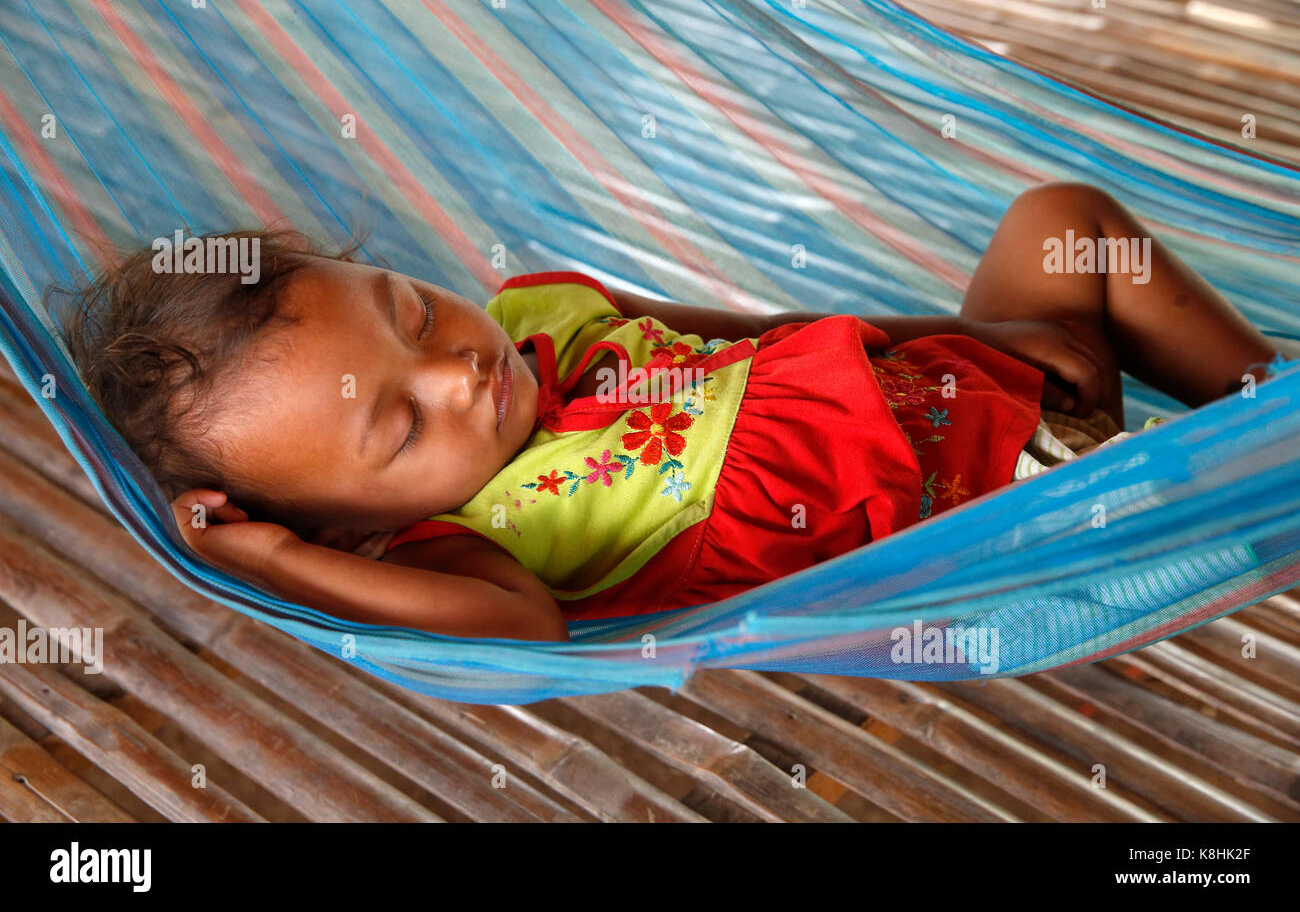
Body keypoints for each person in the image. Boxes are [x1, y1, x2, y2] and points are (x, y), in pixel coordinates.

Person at [56, 183, 1295, 641]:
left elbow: (770, 340)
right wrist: (268, 555)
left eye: (414, 311)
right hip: (998, 522)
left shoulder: (543, 313)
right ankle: (1253, 458)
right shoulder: (471, 539)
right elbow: (518, 631)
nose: (458, 373)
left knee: (1057, 225)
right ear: (346, 525)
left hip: (983, 396)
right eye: (400, 427)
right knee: (1185, 499)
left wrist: (965, 332)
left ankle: (1265, 405)